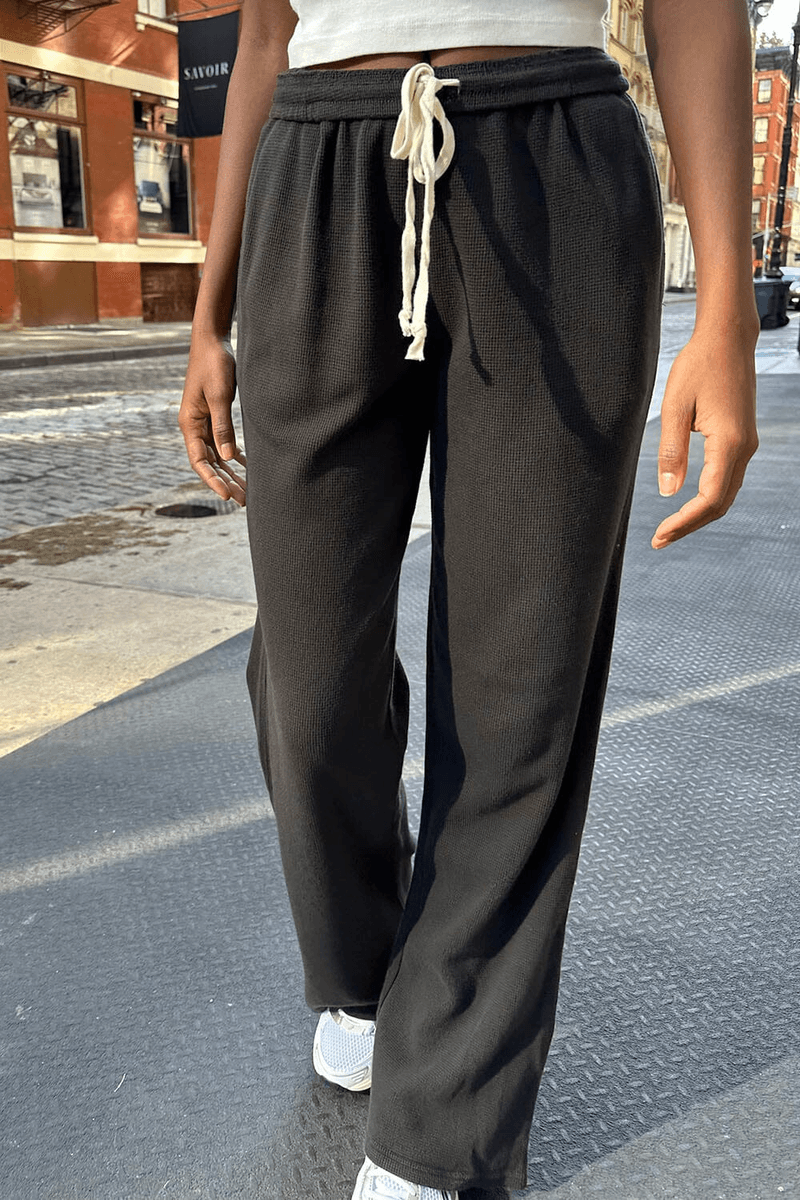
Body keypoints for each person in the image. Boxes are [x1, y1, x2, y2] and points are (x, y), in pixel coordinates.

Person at [179, 0, 759, 1195]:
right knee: (308, 683)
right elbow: (262, 33)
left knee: (519, 686)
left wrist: (726, 303)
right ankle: (362, 970)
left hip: (554, 159)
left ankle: (442, 1126)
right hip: (317, 165)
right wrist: (207, 312)